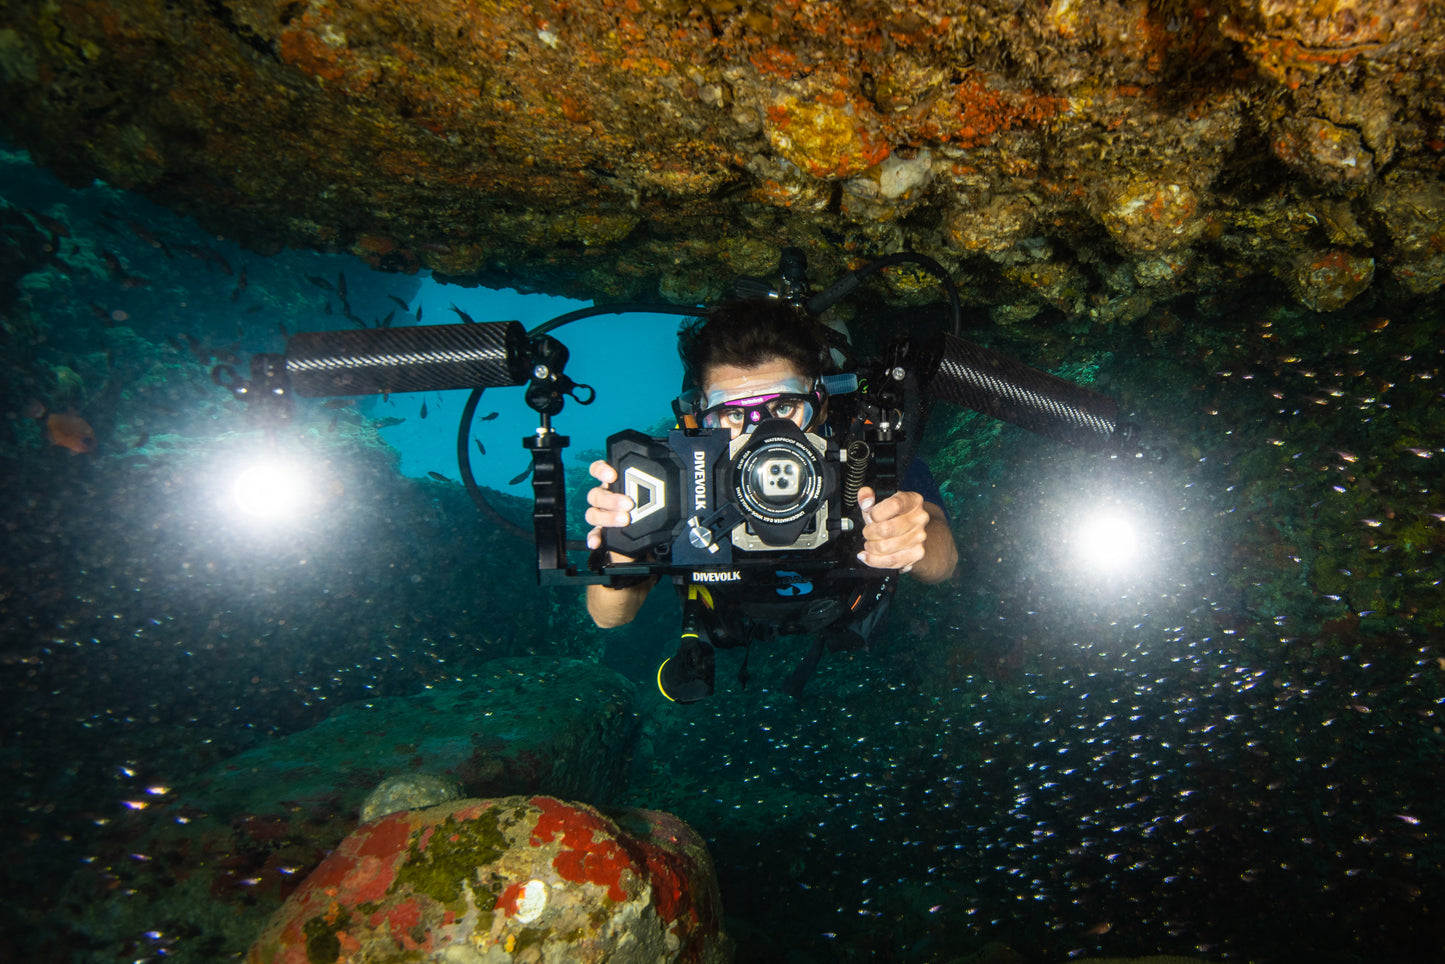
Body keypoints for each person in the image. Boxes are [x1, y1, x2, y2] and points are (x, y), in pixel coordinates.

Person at [583, 299, 958, 699]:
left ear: (821, 403)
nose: (761, 434)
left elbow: (943, 562)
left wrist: (912, 536)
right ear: (701, 419)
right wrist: (621, 551)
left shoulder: (866, 458)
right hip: (735, 620)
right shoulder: (683, 478)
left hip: (847, 612)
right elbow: (609, 616)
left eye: (783, 407)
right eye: (734, 415)